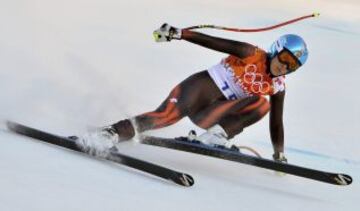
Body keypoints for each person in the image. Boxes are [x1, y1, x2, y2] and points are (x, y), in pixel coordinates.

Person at [103, 23, 309, 163]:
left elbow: (276, 122)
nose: (285, 67)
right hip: (201, 89)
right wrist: (181, 33)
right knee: (164, 117)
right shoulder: (251, 54)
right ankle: (111, 133)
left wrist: (279, 154)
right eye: (285, 59)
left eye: (292, 66)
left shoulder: (278, 86)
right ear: (276, 49)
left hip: (212, 114)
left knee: (262, 104)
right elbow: (214, 42)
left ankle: (215, 136)